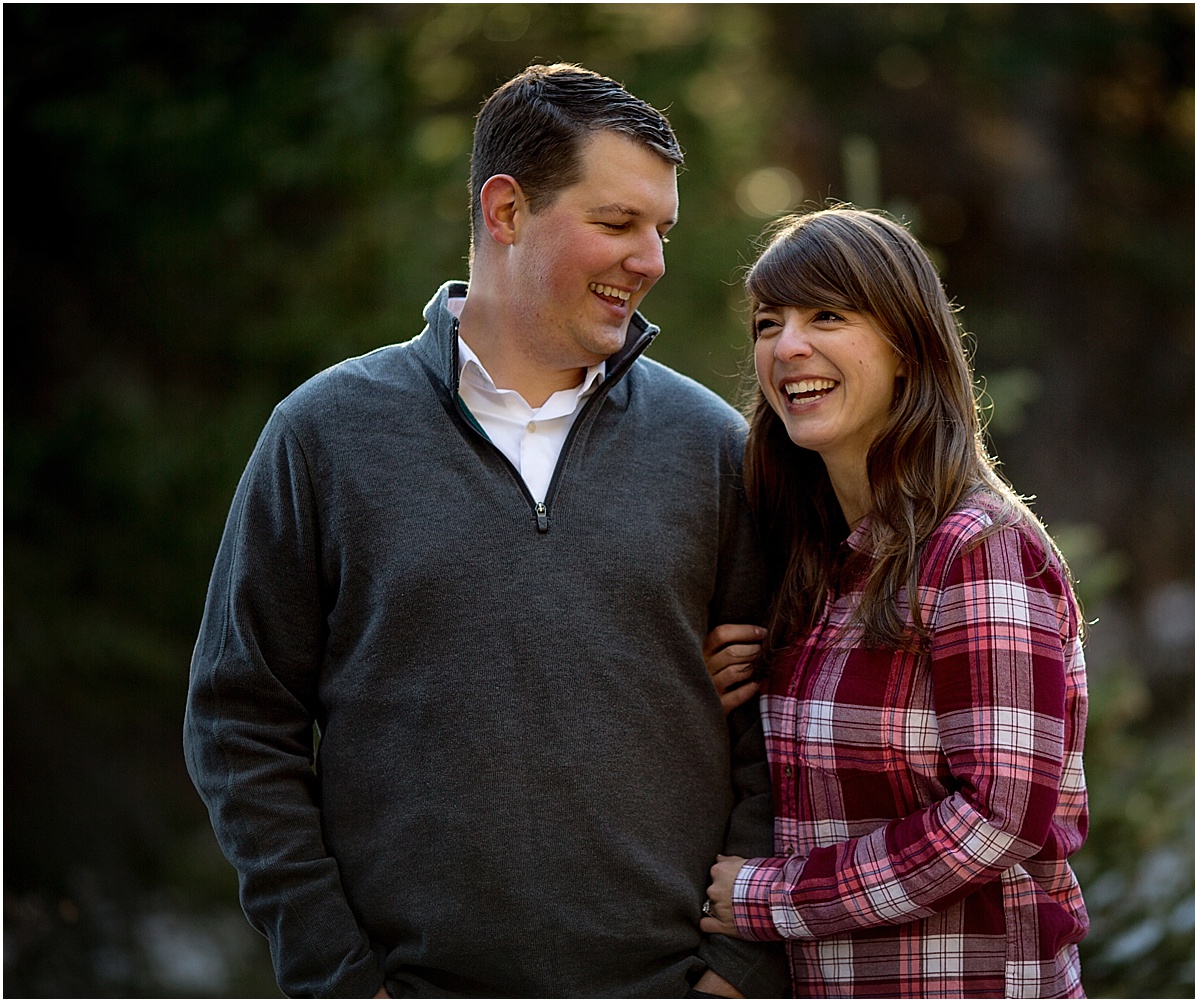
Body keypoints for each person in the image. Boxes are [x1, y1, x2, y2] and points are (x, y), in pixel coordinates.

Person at [184, 63, 788, 998]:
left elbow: (777, 725)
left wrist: (739, 969)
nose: (652, 260)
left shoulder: (710, 443)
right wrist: (338, 977)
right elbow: (239, 721)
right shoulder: (327, 433)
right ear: (505, 211)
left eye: (661, 230)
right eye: (618, 224)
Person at [698, 208, 1090, 997]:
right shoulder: (815, 563)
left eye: (827, 316)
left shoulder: (978, 549)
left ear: (907, 349)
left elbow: (999, 820)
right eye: (768, 323)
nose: (787, 347)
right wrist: (709, 704)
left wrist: (774, 896)